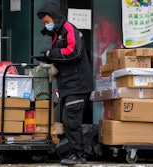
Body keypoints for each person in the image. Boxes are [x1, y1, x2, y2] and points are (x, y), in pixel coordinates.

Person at [37, 2, 94, 165]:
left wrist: (51, 54)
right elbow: (62, 54)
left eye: (47, 21)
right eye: (44, 23)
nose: (46, 25)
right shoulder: (58, 32)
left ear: (54, 16)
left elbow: (74, 52)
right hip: (69, 83)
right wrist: (47, 58)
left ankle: (78, 154)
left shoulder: (68, 28)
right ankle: (74, 151)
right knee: (68, 118)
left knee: (71, 118)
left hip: (78, 82)